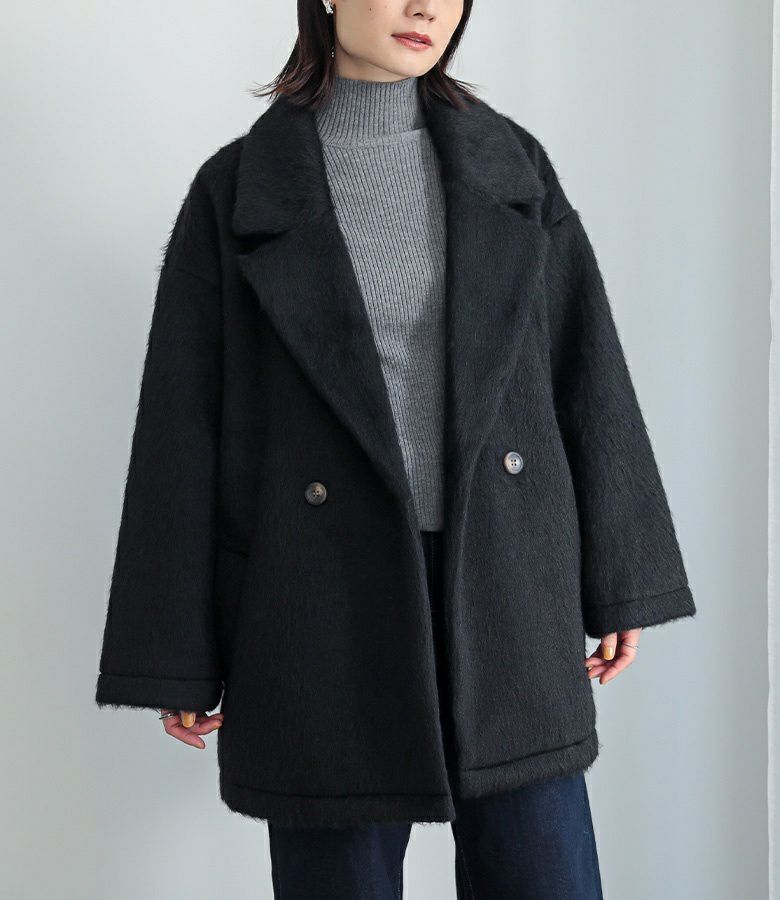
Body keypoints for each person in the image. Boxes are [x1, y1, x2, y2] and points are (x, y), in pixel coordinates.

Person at [95, 1, 696, 897]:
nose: (428, 8)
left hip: (507, 586)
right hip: (318, 602)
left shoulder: (512, 165)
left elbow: (586, 368)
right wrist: (176, 652)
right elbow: (182, 432)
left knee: (546, 870)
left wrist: (621, 574)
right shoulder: (237, 191)